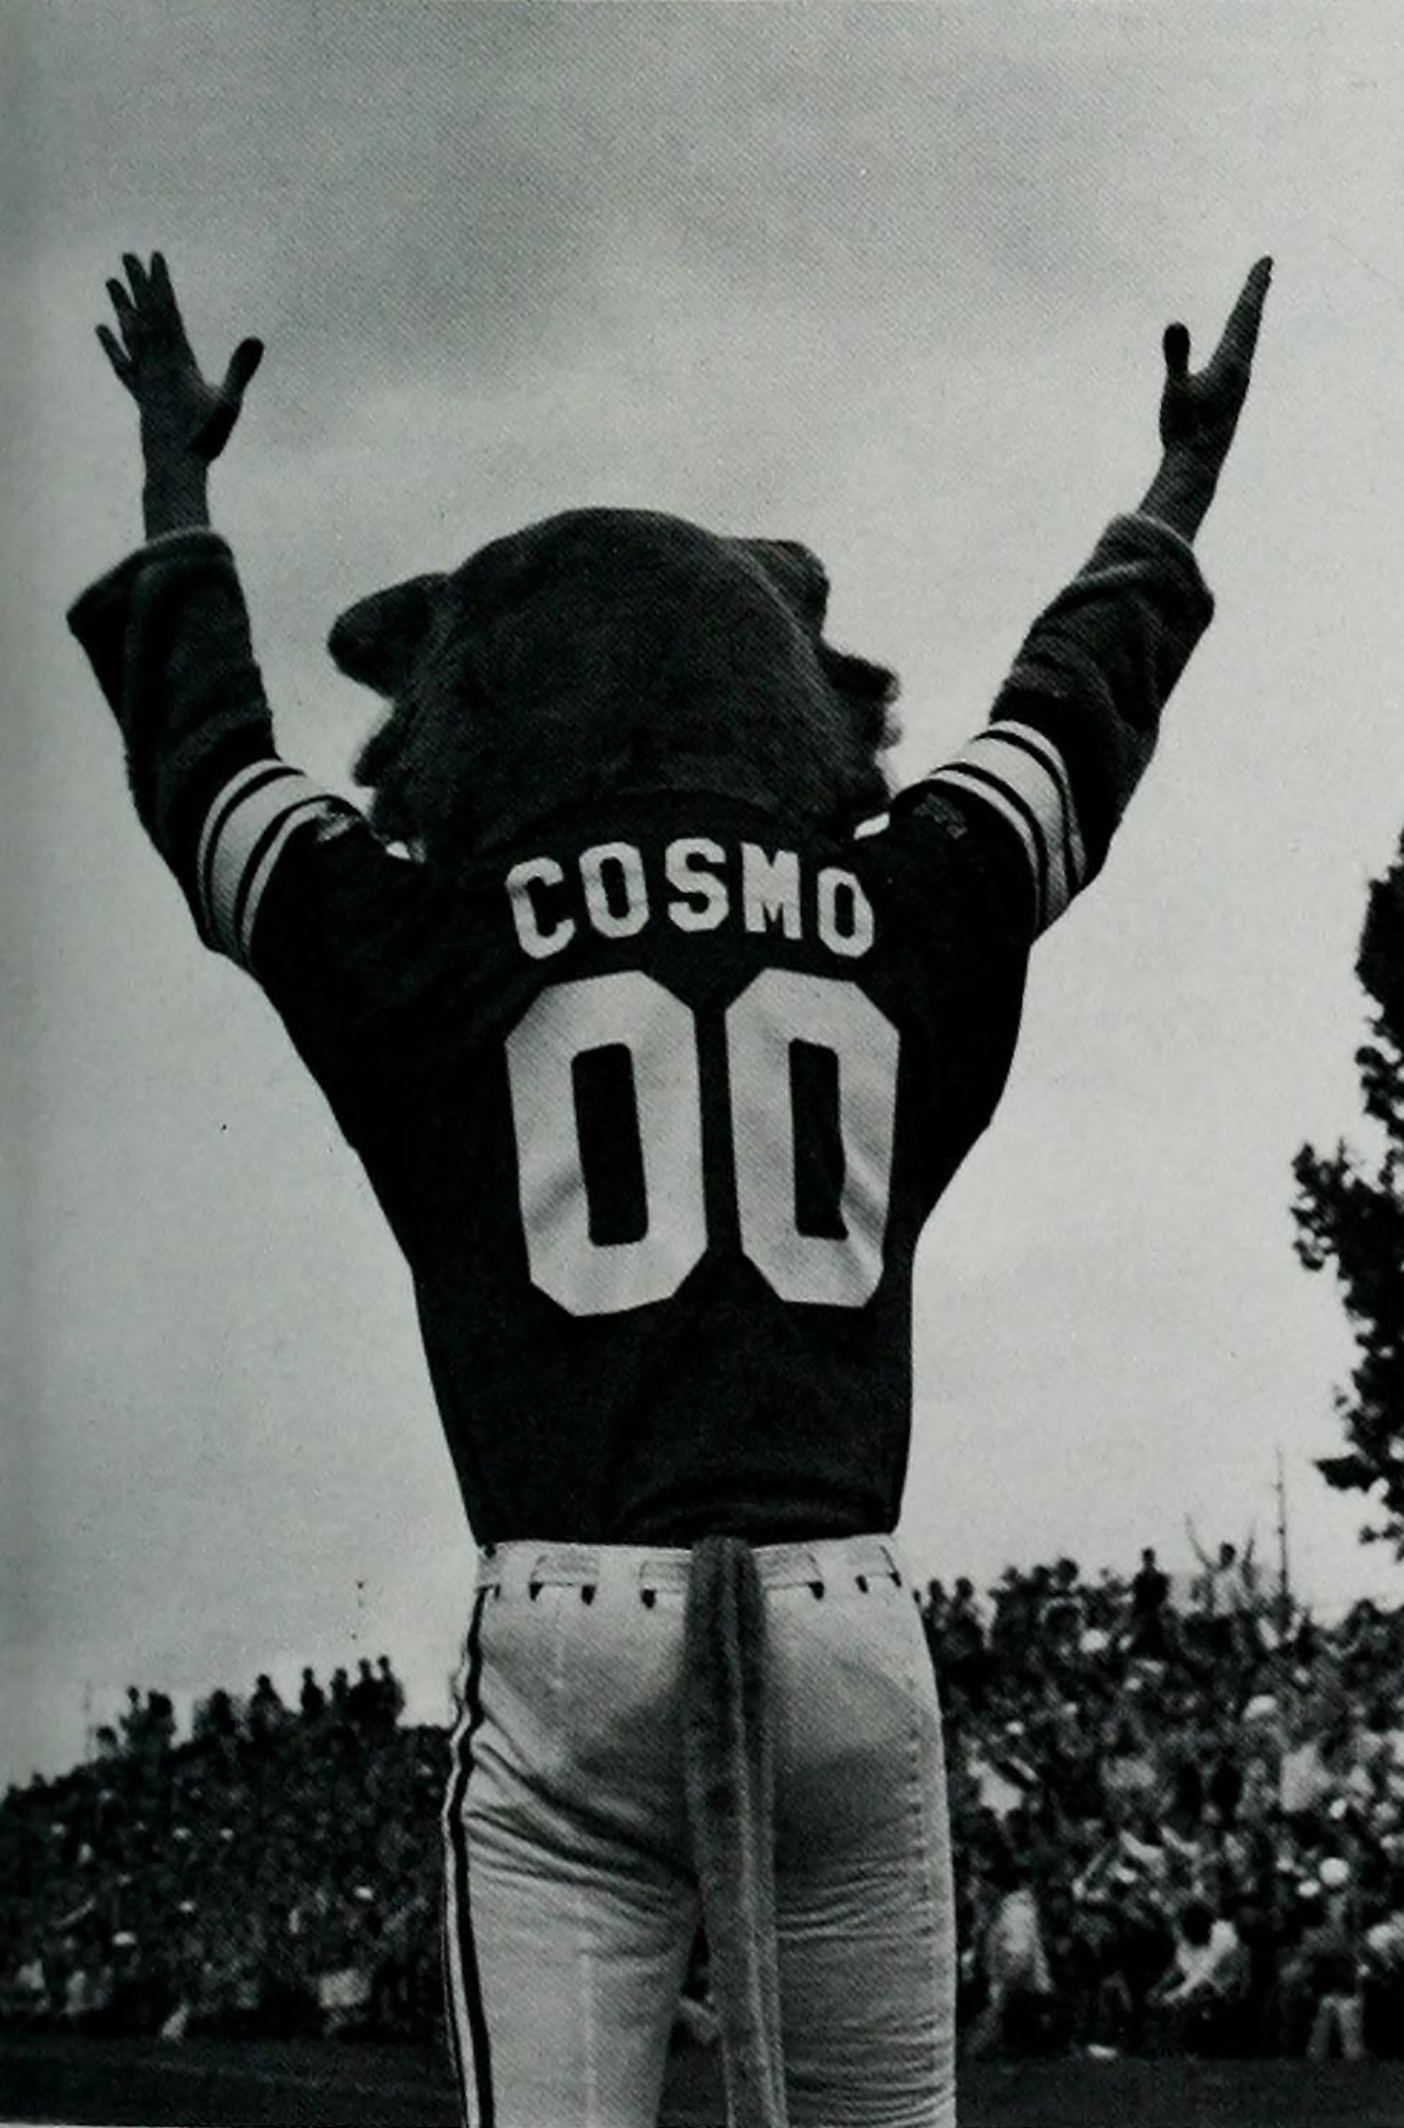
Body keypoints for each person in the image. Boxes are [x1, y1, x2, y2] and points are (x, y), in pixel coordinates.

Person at [70, 249, 1269, 2128]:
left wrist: (177, 490)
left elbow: (213, 773)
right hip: (845, 1619)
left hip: (572, 1624)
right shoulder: (893, 906)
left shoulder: (437, 942)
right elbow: (1065, 720)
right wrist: (1172, 493)